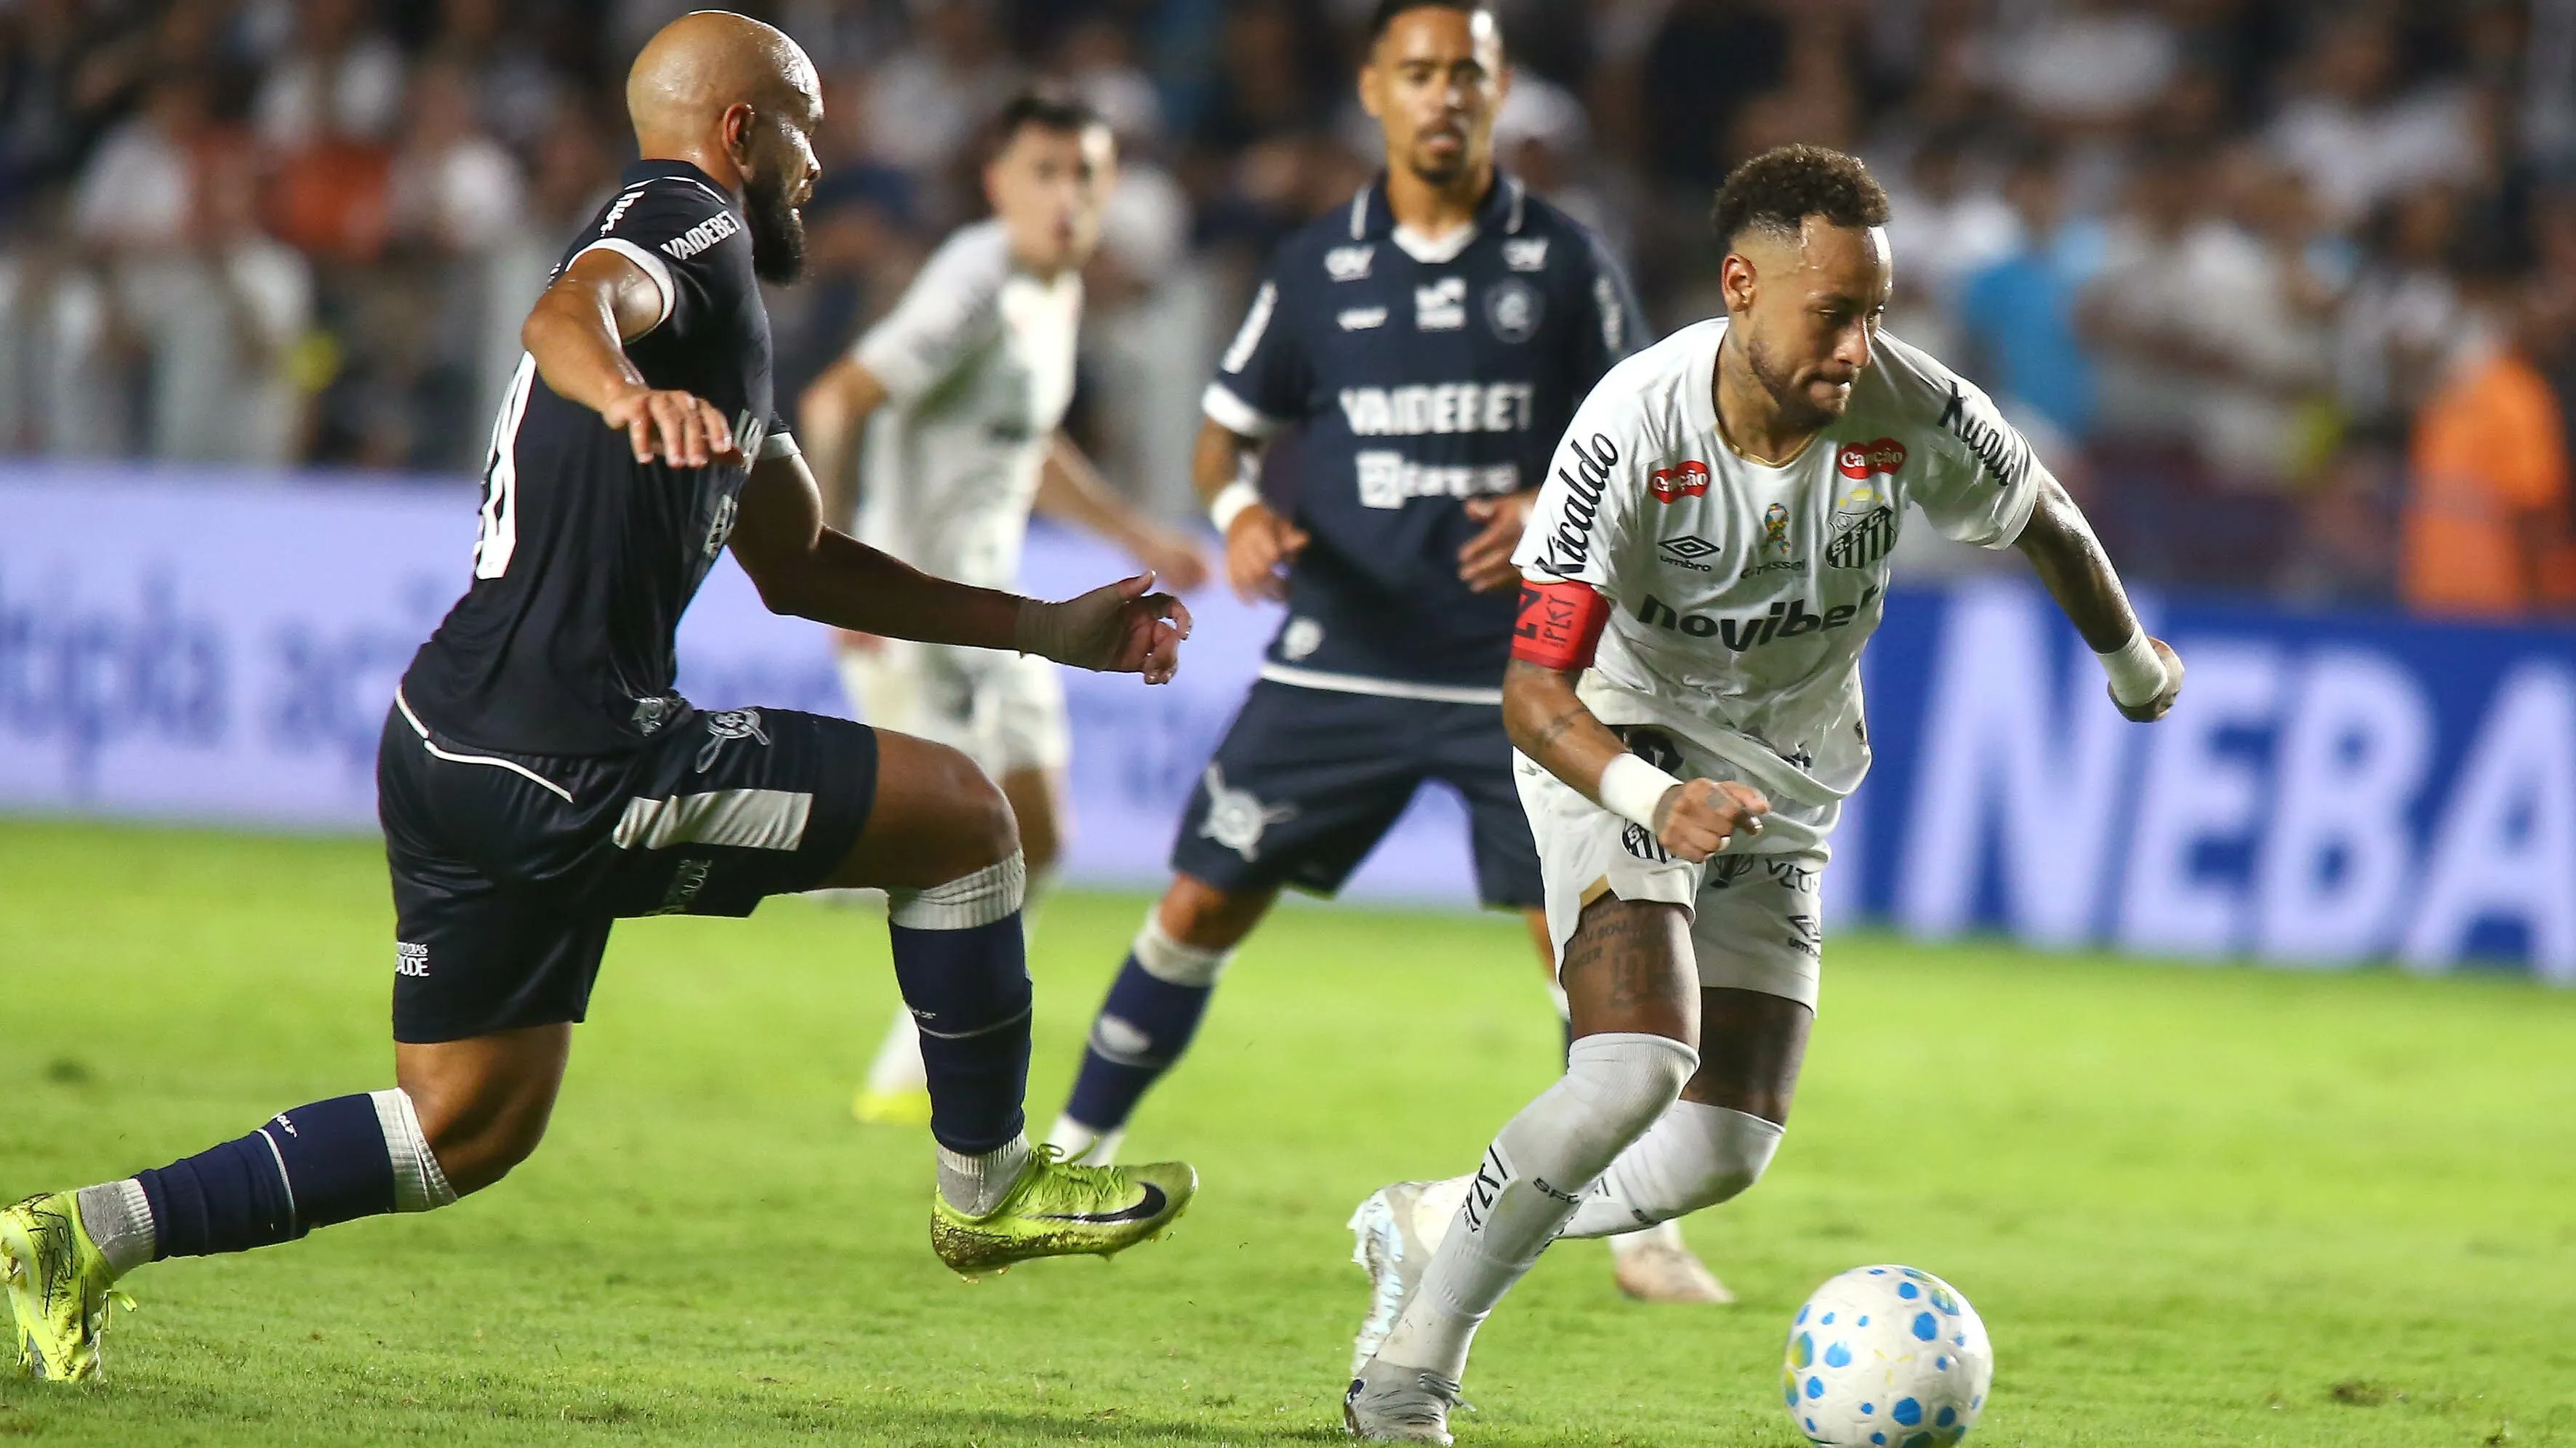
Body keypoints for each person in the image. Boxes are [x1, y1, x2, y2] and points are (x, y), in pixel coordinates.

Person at [1, 13, 1197, 1384]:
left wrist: (1048, 626)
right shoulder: (683, 217)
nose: (822, 160)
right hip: (575, 752)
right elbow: (569, 306)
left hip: (453, 734)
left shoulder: (726, 319)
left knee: (466, 1124)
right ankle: (986, 1190)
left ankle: (77, 1233)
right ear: (744, 131)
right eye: (806, 126)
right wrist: (624, 392)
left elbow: (799, 564)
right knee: (967, 819)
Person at [1339, 144, 2186, 1442]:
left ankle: (1436, 1216)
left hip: (1784, 771)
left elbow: (2047, 522)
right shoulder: (1631, 425)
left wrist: (2131, 665)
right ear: (1741, 284)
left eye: (1874, 313)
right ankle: (1407, 1378)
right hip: (1611, 738)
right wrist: (1645, 793)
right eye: (1831, 311)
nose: (1856, 344)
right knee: (1636, 1065)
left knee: (1723, 1150)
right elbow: (1531, 694)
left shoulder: (1913, 406)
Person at [1042, 0, 1730, 1306]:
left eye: (1464, 74)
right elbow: (1221, 436)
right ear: (1374, 89)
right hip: (1338, 655)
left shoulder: (1567, 263)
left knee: (1580, 943)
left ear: (1498, 87)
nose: (1442, 96)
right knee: (1196, 905)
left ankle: (1641, 1227)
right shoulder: (1315, 266)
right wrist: (1240, 516)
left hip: (1518, 675)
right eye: (1416, 73)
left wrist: (1547, 507)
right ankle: (1073, 1158)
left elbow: (1656, 442)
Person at [795, 91, 1212, 1127]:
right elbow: (836, 398)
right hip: (920, 603)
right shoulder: (976, 280)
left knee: (1043, 834)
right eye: (1044, 173)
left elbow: (1025, 450)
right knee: (962, 836)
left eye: (1086, 175)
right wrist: (831, 564)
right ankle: (918, 1046)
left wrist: (1132, 537)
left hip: (1001, 607)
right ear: (996, 181)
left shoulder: (1050, 288)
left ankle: (913, 1049)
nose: (1067, 196)